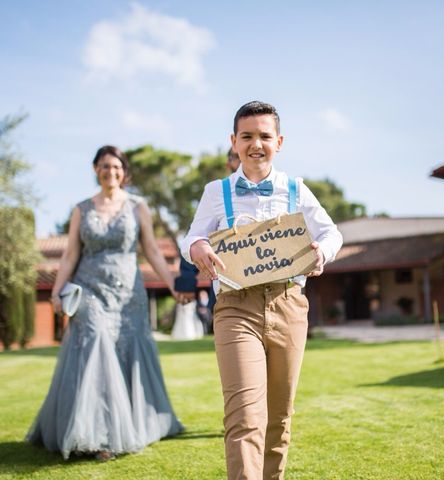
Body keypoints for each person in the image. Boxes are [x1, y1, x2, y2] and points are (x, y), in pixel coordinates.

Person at [181, 102, 343, 479]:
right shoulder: (215, 191)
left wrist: (323, 253)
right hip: (236, 309)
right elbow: (193, 236)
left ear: (279, 142)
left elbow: (331, 233)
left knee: (279, 417)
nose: (256, 144)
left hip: (288, 305)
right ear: (234, 142)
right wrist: (198, 248)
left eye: (265, 136)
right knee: (244, 417)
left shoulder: (296, 189)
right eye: (247, 136)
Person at [26, 145, 183, 461]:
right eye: (104, 166)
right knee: (95, 346)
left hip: (129, 295)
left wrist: (173, 284)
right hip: (89, 290)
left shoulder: (138, 207)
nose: (110, 172)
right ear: (95, 170)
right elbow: (70, 253)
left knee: (126, 352)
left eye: (116, 167)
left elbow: (151, 250)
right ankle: (97, 438)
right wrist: (57, 292)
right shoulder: (81, 209)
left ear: (124, 172)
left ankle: (131, 426)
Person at [174, 147, 241, 310]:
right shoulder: (217, 195)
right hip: (227, 287)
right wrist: (188, 281)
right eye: (236, 156)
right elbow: (197, 235)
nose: (242, 159)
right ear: (228, 163)